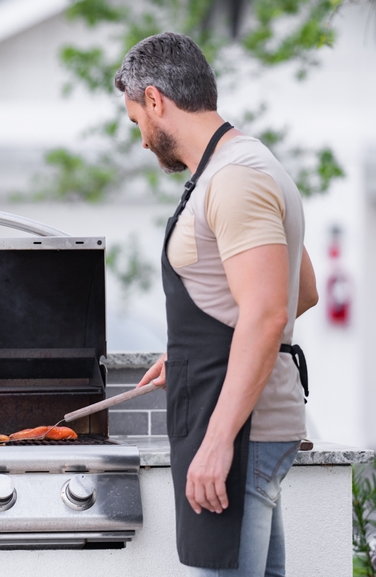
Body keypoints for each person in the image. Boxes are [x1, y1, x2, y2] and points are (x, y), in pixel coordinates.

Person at [115, 32, 318, 576]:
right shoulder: (249, 164)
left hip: (239, 429)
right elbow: (299, 290)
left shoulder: (234, 180)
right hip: (235, 416)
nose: (141, 140)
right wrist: (189, 352)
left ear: (156, 100)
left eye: (137, 120)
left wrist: (218, 441)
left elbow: (271, 310)